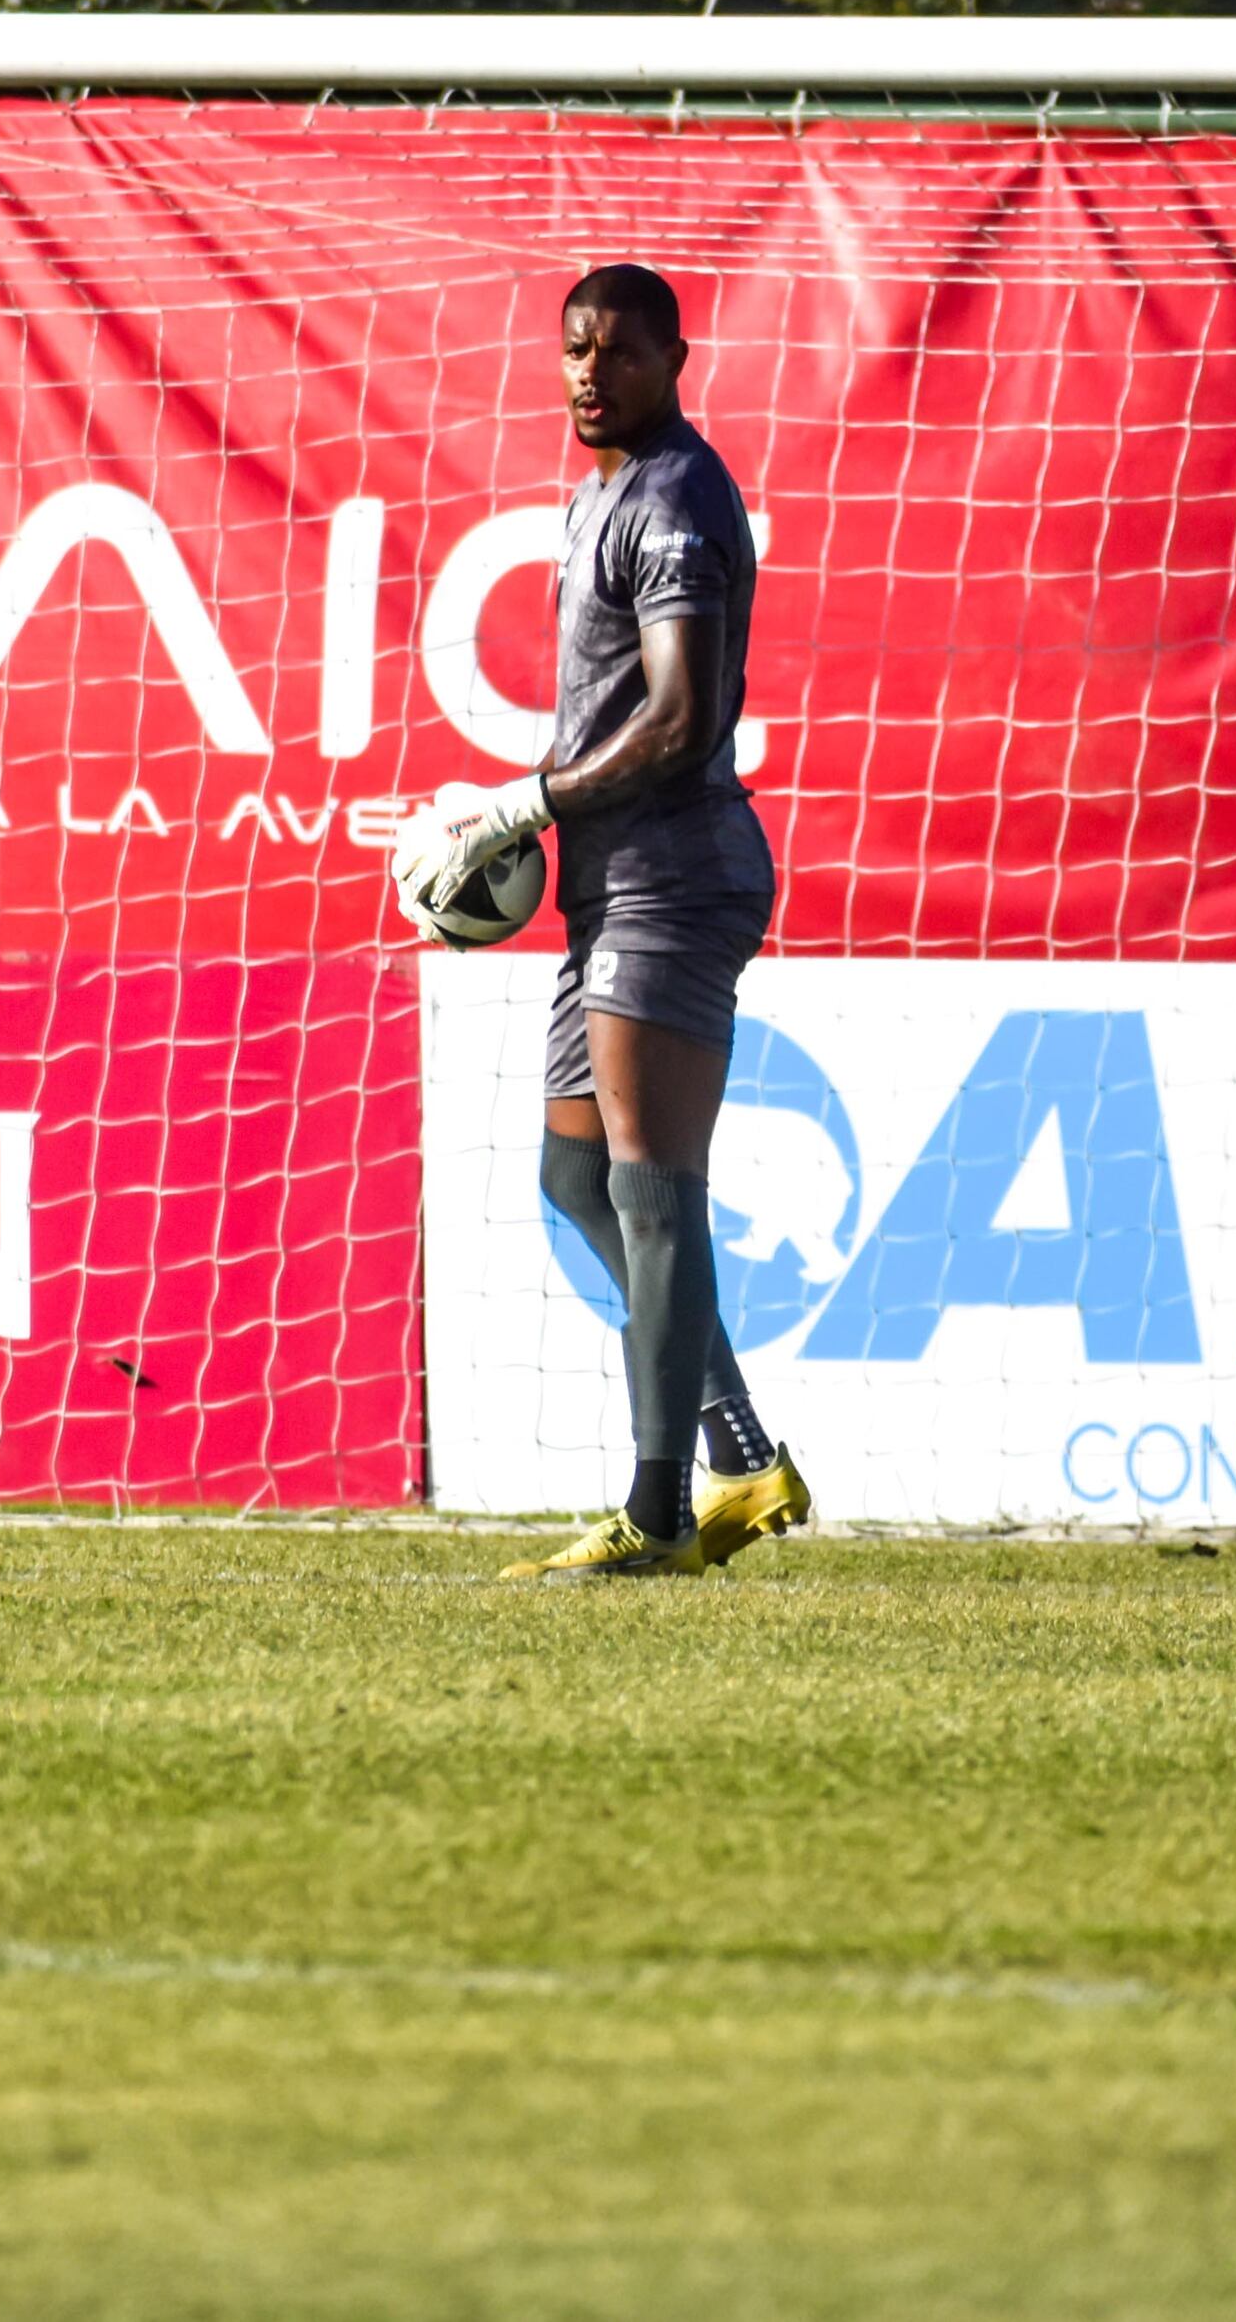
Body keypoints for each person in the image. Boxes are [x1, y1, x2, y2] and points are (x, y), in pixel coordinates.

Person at [391, 264, 813, 1579]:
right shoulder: (599, 495)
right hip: (608, 889)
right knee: (579, 1177)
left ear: (676, 358)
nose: (590, 373)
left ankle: (660, 1512)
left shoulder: (679, 495)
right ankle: (741, 1450)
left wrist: (521, 805)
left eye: (619, 353)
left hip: (674, 882)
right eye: (575, 349)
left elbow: (684, 716)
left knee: (650, 1187)